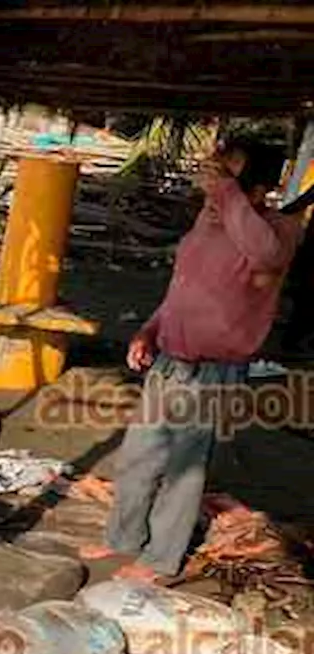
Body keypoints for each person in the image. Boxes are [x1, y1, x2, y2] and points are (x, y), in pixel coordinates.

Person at [82, 136, 303, 580]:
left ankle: (160, 559)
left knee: (184, 471)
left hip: (211, 372)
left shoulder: (277, 230)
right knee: (138, 457)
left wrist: (226, 192)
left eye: (229, 173)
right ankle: (123, 539)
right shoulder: (209, 224)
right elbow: (182, 291)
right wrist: (149, 330)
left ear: (256, 189)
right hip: (169, 361)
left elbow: (263, 252)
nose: (215, 181)